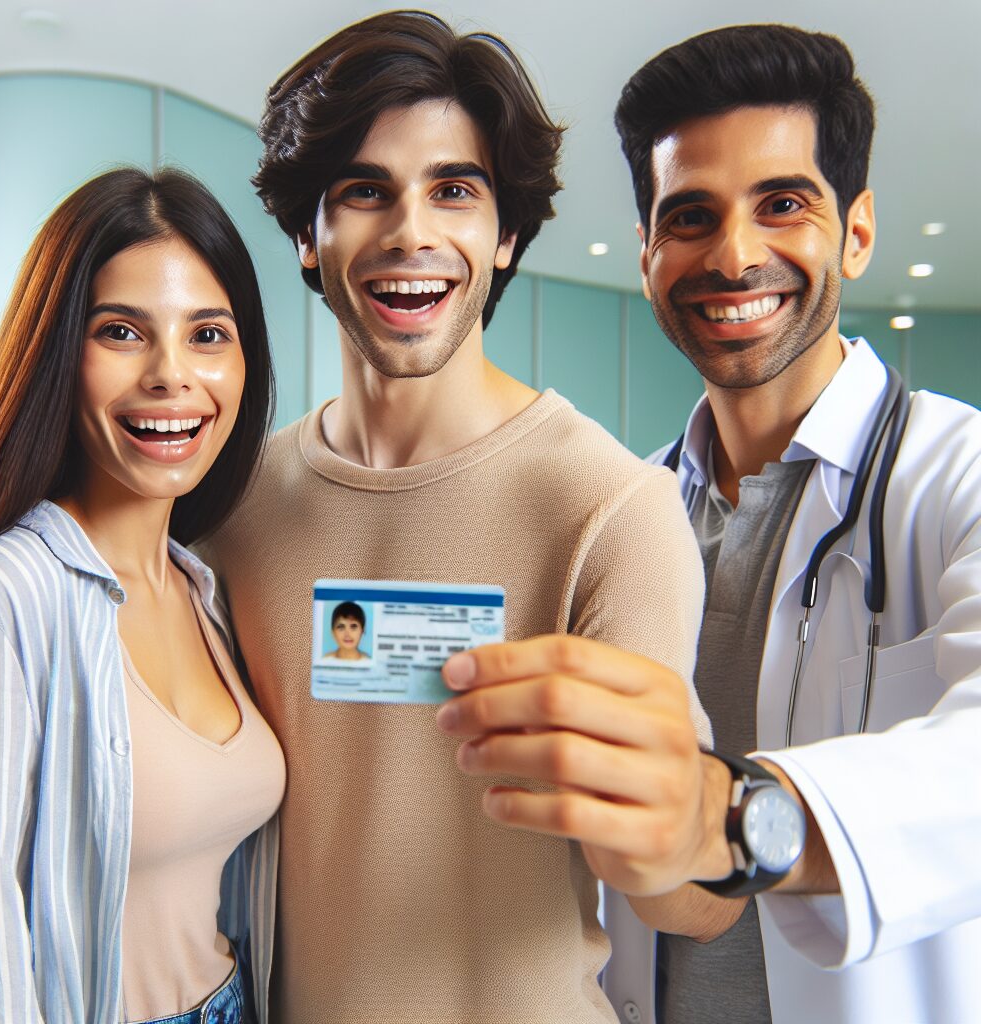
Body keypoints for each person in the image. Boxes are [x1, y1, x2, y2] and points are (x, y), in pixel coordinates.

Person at [436, 23, 981, 1024]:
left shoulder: (960, 475)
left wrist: (726, 820)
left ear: (855, 231)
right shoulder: (620, 513)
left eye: (782, 204)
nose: (733, 255)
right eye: (689, 216)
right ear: (646, 254)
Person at [204, 10, 711, 1022]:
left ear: (505, 232)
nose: (411, 232)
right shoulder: (232, 507)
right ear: (308, 236)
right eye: (363, 191)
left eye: (454, 190)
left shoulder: (613, 511)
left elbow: (692, 904)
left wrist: (663, 828)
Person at [0, 168, 284, 1024]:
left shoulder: (207, 588)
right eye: (122, 332)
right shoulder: (1, 599)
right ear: (59, 353)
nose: (172, 376)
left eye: (208, 334)